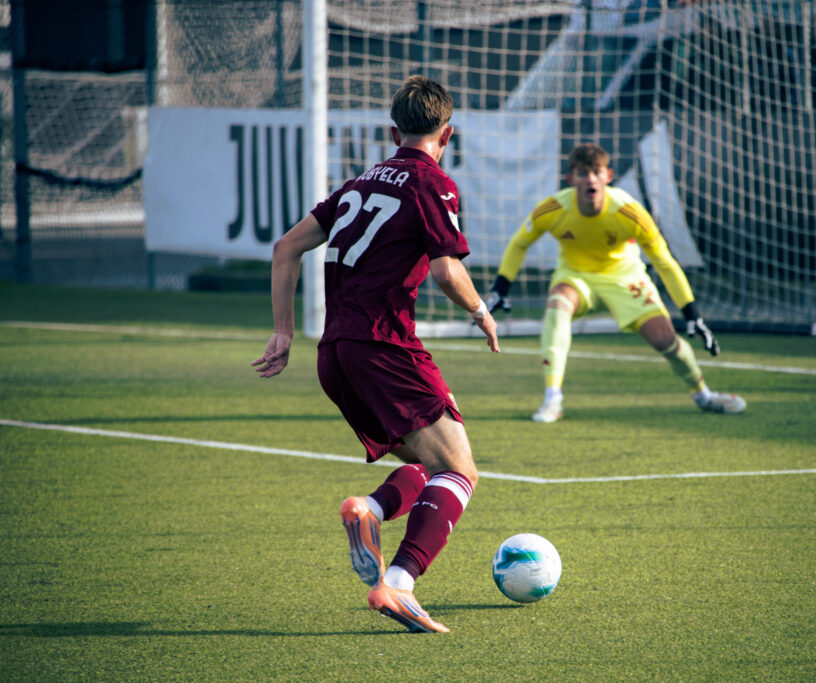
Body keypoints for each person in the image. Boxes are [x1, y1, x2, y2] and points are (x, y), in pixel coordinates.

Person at [252, 75, 499, 634]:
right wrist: (482, 312)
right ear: (448, 133)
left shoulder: (358, 182)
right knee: (460, 471)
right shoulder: (433, 183)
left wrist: (284, 333)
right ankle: (400, 584)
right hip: (384, 346)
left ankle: (371, 510)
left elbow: (286, 247)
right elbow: (445, 268)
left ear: (393, 132)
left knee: (427, 462)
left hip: (333, 354)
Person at [486, 142, 744, 423]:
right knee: (557, 305)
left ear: (608, 176)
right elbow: (519, 243)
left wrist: (692, 313)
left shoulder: (629, 212)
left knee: (666, 341)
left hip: (625, 276)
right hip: (576, 276)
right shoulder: (553, 209)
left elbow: (664, 262)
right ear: (570, 179)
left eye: (596, 172)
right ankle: (552, 398)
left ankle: (703, 394)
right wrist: (501, 288)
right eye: (583, 173)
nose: (590, 179)